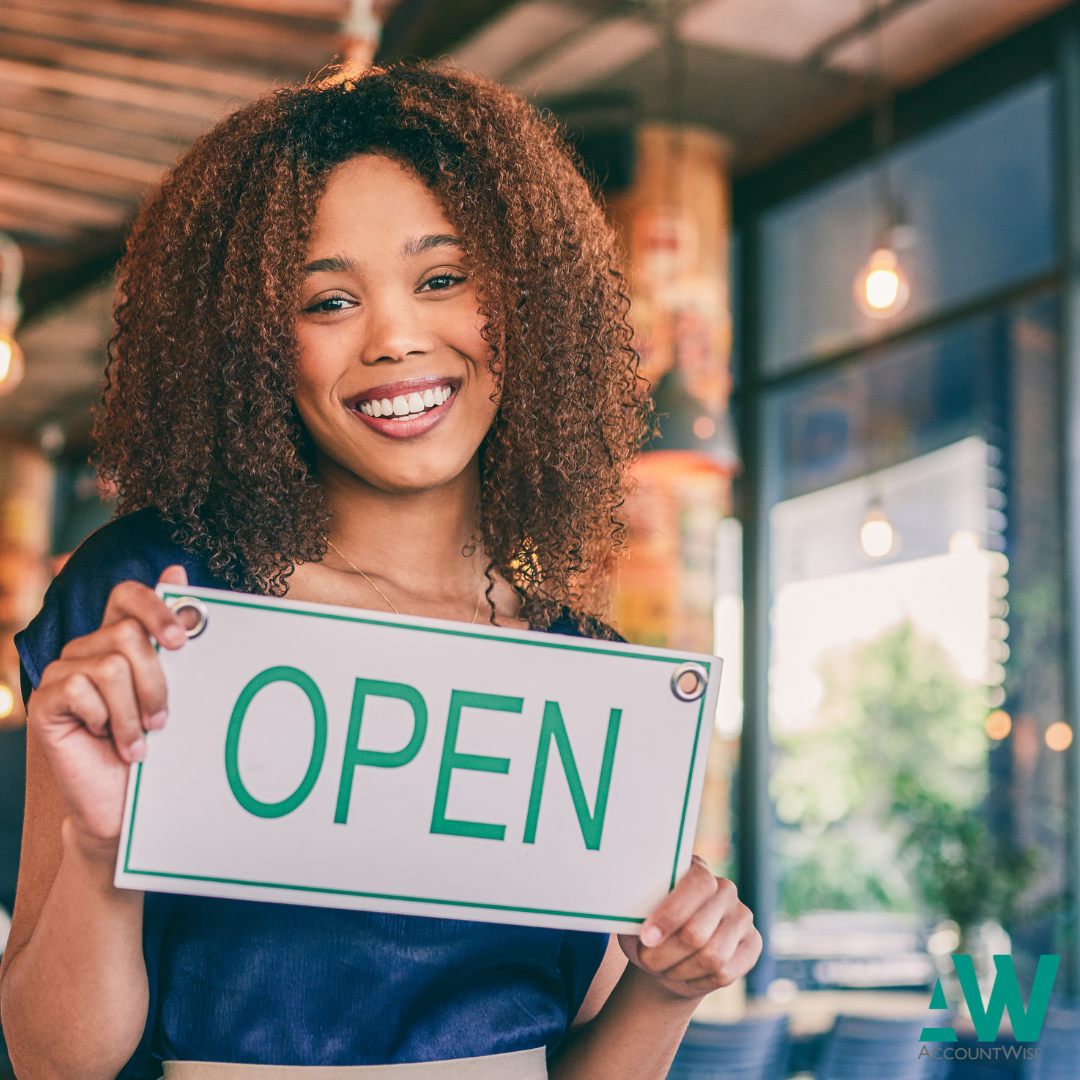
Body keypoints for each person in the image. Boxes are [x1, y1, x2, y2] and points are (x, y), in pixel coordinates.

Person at [0, 65, 761, 1080]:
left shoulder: (585, 678)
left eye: (442, 278)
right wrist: (103, 851)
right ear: (257, 345)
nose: (396, 336)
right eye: (328, 300)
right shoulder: (155, 604)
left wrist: (669, 989)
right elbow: (53, 1064)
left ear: (525, 305)